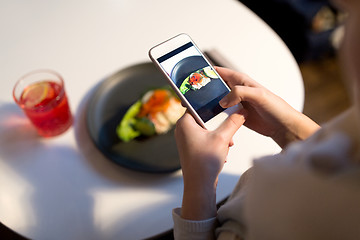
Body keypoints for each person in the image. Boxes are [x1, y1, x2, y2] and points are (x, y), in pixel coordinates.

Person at [172, 0, 360, 239]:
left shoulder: (290, 214)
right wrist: (288, 129)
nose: (342, 40)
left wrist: (199, 185)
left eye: (352, 16)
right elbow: (344, 157)